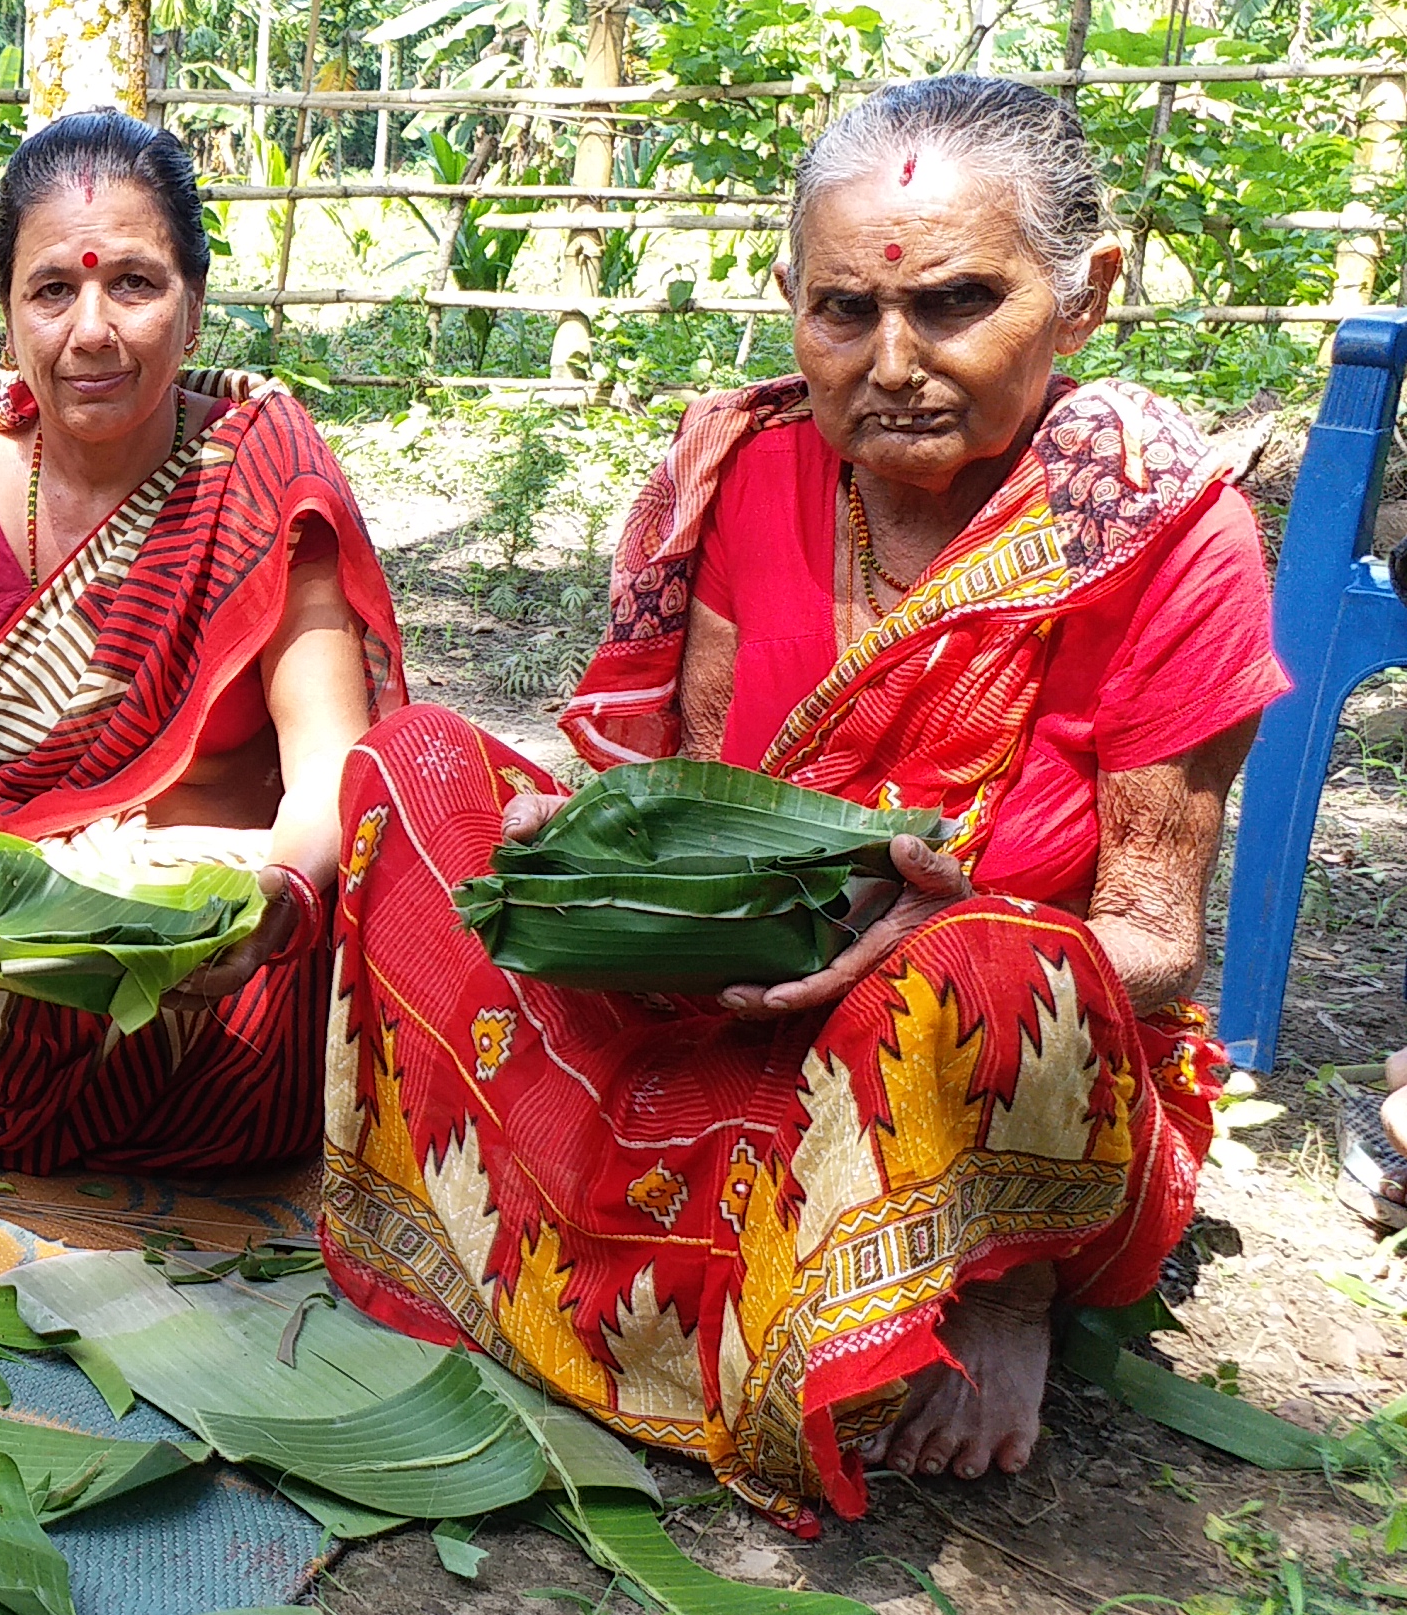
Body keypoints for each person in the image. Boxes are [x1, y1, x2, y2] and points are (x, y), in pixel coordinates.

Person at [321, 75, 1283, 1529]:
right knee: (420, 769)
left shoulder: (1161, 535)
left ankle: (993, 1290)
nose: (893, 360)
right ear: (790, 301)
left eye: (955, 304)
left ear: (1084, 297)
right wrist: (585, 853)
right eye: (846, 312)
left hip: (968, 1065)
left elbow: (1153, 943)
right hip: (732, 997)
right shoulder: (750, 470)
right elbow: (683, 801)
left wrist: (927, 924)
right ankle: (614, 1240)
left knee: (998, 961)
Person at [0, 111, 407, 1171]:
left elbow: (332, 764)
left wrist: (274, 902)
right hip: (6, 916)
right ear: (9, 322)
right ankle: (12, 1058)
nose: (92, 330)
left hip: (200, 942)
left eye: (135, 285)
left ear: (194, 311)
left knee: (346, 886)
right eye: (53, 290)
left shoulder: (262, 469)